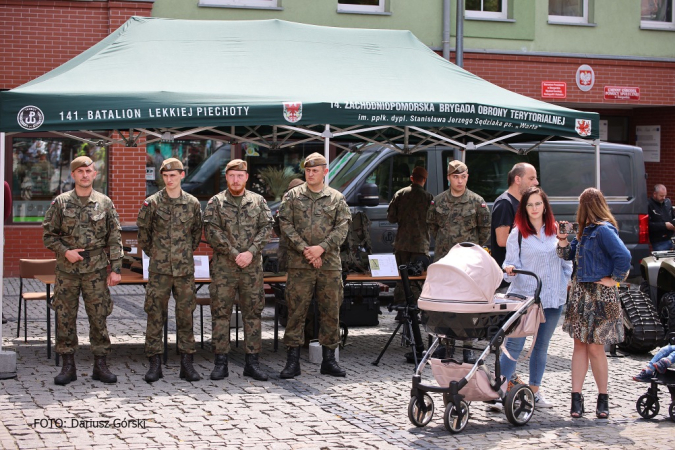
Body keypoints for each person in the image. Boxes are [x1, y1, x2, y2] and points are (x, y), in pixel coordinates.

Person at [42, 156, 123, 386]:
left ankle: (101, 364)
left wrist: (115, 269)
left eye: (88, 171)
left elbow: (115, 239)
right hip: (67, 270)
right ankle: (68, 365)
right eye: (80, 171)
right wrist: (65, 251)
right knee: (65, 317)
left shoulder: (105, 203)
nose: (85, 175)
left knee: (99, 317)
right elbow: (48, 235)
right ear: (73, 175)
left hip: (96, 270)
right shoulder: (61, 202)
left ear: (95, 174)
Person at [557, 187, 631, 419]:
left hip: (600, 295)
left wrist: (615, 279)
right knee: (580, 345)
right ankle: (576, 399)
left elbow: (624, 257)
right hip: (581, 294)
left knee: (596, 348)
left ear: (586, 206)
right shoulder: (586, 231)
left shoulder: (603, 230)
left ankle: (602, 398)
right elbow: (568, 256)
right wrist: (562, 240)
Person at [278, 152, 351, 379]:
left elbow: (342, 228)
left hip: (328, 264)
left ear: (325, 172)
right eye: (308, 170)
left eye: (315, 170)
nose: (310, 174)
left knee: (331, 311)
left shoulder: (336, 198)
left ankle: (329, 359)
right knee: (296, 311)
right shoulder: (292, 197)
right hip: (300, 265)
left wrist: (322, 248)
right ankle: (292, 361)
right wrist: (306, 249)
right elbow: (285, 224)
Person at [499, 187, 572, 408]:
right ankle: (499, 391)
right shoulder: (518, 233)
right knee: (514, 346)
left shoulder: (556, 231)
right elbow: (508, 264)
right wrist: (509, 268)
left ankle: (534, 392)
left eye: (538, 204)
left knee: (541, 347)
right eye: (529, 205)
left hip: (552, 298)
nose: (534, 209)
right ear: (524, 208)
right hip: (526, 299)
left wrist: (562, 242)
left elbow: (567, 262)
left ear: (545, 206)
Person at [204, 159, 273, 381]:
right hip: (224, 267)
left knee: (253, 313)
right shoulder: (216, 202)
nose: (235, 180)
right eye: (231, 175)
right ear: (226, 177)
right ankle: (220, 363)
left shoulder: (258, 201)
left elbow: (267, 228)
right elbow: (212, 232)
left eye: (239, 175)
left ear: (246, 177)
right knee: (220, 314)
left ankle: (252, 362)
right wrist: (235, 253)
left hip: (252, 267)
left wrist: (251, 252)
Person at [137, 158, 203, 383]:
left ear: (182, 175)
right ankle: (155, 364)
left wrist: (182, 253)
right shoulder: (152, 203)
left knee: (186, 316)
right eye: (165, 175)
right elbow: (143, 235)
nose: (169, 179)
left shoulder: (193, 203)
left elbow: (196, 234)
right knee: (155, 315)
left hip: (184, 270)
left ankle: (187, 364)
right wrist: (158, 253)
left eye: (173, 175)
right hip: (159, 270)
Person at [427, 160, 491, 363]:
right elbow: (432, 227)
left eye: (463, 176)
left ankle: (468, 347)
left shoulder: (476, 201)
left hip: (467, 262)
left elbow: (484, 230)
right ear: (448, 178)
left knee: (467, 304)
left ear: (467, 177)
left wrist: (472, 250)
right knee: (445, 304)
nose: (460, 180)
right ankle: (446, 346)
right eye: (456, 177)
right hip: (445, 260)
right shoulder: (438, 202)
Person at [386, 166, 433, 306]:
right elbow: (433, 220)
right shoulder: (428, 197)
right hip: (420, 244)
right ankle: (415, 308)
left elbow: (391, 217)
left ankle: (401, 307)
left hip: (402, 243)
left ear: (412, 178)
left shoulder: (400, 194)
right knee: (417, 277)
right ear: (424, 180)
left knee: (401, 276)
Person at [490, 163, 539, 283]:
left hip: (523, 275)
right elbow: (502, 240)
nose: (536, 182)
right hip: (509, 278)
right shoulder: (504, 204)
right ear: (517, 179)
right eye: (531, 178)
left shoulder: (521, 203)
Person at [648, 184, 674, 251]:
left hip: (671, 237)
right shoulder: (648, 205)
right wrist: (664, 225)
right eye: (661, 196)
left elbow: (673, 216)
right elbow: (648, 224)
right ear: (655, 194)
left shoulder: (667, 202)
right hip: (659, 241)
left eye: (665, 195)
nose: (664, 198)